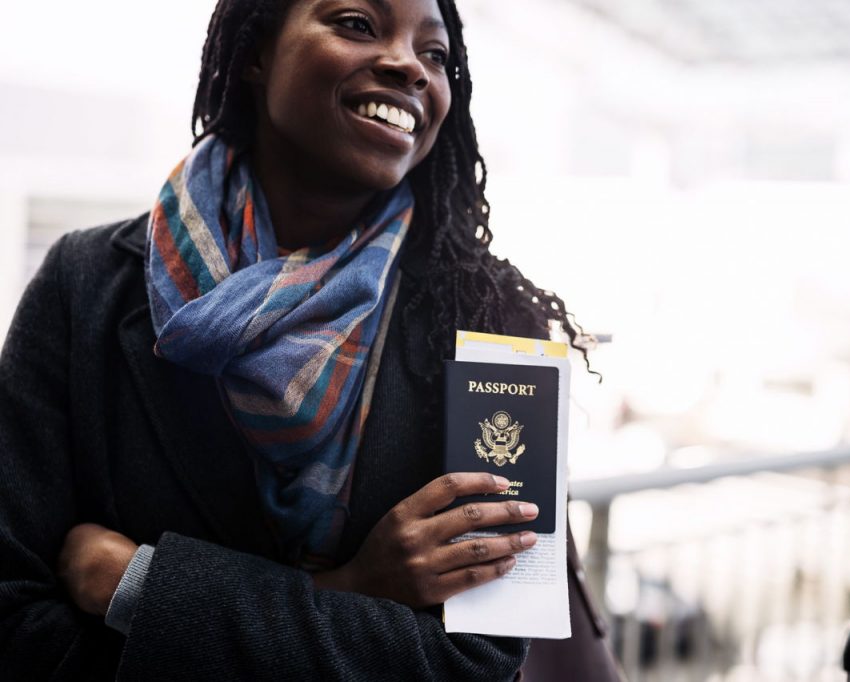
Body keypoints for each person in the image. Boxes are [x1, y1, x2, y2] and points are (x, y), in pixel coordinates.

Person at [0, 0, 619, 679]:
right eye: (357, 23)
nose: (408, 64)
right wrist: (348, 591)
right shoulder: (84, 282)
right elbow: (14, 617)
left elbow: (478, 661)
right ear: (257, 52)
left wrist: (143, 587)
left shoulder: (493, 323)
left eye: (436, 54)